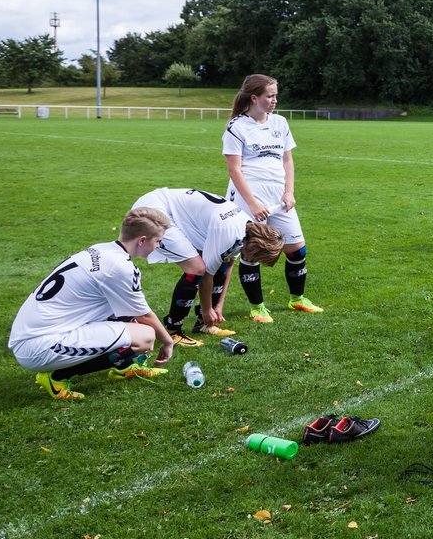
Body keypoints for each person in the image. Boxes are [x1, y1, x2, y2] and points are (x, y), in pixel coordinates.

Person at [8, 208, 177, 400]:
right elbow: (144, 315)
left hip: (31, 332)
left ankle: (126, 367)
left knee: (129, 319)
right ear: (142, 240)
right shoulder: (118, 266)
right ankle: (56, 376)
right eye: (158, 241)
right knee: (146, 336)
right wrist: (168, 341)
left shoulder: (102, 249)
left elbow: (128, 310)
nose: (157, 246)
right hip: (38, 345)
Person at [223, 73, 322, 323]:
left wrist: (289, 192)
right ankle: (258, 307)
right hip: (249, 199)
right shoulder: (237, 127)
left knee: (297, 249)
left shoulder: (280, 123)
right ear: (254, 98)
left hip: (279, 197)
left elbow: (287, 160)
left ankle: (297, 299)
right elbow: (234, 169)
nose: (274, 100)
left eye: (276, 95)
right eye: (270, 96)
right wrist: (253, 203)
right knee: (252, 251)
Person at [135, 187, 286, 346]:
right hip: (154, 210)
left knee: (220, 265)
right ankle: (173, 330)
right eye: (256, 258)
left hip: (171, 212)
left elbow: (227, 266)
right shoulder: (229, 233)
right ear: (255, 247)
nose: (253, 261)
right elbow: (207, 276)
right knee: (196, 269)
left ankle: (203, 324)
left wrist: (218, 305)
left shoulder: (246, 229)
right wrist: (208, 310)